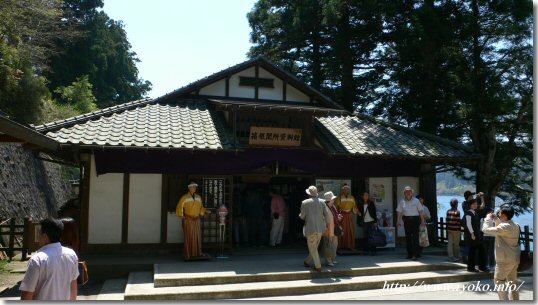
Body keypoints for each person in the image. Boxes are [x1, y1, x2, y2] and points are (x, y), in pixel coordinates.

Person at [20, 218, 79, 300]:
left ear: (44, 236)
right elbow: (73, 286)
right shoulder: (71, 254)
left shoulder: (37, 260)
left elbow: (27, 294)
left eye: (39, 233)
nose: (38, 237)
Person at [482, 205, 521, 300]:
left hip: (504, 260)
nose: (498, 213)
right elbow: (501, 228)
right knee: (512, 283)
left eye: (499, 212)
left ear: (504, 215)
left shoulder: (504, 227)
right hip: (514, 258)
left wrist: (487, 219)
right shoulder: (516, 225)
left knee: (499, 281)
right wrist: (496, 219)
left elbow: (485, 230)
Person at [176, 182, 211, 259]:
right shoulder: (184, 197)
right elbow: (179, 206)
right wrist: (181, 216)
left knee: (197, 236)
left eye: (195, 187)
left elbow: (201, 207)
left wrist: (203, 212)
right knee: (189, 236)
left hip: (197, 219)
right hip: (188, 219)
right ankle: (189, 254)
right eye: (193, 187)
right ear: (189, 188)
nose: (194, 188)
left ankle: (198, 253)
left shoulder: (198, 197)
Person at [299, 185, 330, 272]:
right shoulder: (322, 202)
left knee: (312, 247)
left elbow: (302, 216)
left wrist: (300, 215)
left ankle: (318, 266)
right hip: (320, 228)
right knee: (314, 247)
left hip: (310, 228)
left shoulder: (305, 202)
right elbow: (326, 215)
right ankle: (307, 261)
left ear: (309, 194)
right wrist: (328, 225)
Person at [395, 186, 426, 261]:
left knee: (415, 238)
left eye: (409, 192)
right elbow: (399, 212)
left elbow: (421, 211)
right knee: (408, 238)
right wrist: (398, 221)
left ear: (412, 193)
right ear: (404, 193)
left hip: (415, 220)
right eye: (406, 192)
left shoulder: (416, 201)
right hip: (407, 220)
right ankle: (409, 254)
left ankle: (415, 254)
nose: (408, 193)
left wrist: (422, 221)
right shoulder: (402, 201)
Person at [464, 198, 488, 272]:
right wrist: (472, 233)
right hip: (471, 234)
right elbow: (468, 224)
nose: (475, 205)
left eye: (476, 204)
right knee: (472, 251)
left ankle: (482, 267)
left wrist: (482, 198)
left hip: (477, 234)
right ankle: (471, 268)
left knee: (481, 250)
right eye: (473, 204)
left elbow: (482, 206)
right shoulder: (468, 213)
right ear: (470, 205)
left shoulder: (476, 212)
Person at [335, 184, 360, 250]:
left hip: (349, 215)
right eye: (344, 189)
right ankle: (340, 246)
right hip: (342, 215)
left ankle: (349, 245)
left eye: (347, 189)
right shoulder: (339, 198)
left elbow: (354, 206)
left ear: (349, 190)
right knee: (342, 229)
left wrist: (358, 212)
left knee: (350, 230)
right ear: (343, 190)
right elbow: (336, 207)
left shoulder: (352, 197)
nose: (346, 190)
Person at [323, 191, 342, 266]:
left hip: (334, 229)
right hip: (328, 229)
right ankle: (329, 261)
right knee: (328, 246)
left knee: (335, 244)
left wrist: (338, 217)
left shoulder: (333, 206)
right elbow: (323, 219)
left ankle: (333, 259)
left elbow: (335, 216)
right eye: (332, 199)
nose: (334, 200)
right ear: (329, 200)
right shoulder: (324, 208)